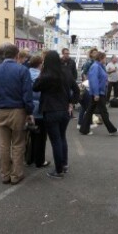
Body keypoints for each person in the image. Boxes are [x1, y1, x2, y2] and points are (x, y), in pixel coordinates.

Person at [0, 43, 34, 185]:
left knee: (3, 144)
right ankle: (16, 174)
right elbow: (27, 93)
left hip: (0, 110)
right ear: (17, 55)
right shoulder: (22, 70)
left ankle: (5, 174)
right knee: (18, 143)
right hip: (18, 110)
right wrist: (29, 111)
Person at [33, 51, 80, 179]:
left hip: (50, 110)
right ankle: (64, 164)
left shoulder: (46, 75)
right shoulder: (66, 72)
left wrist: (41, 72)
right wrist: (71, 102)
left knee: (55, 140)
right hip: (64, 110)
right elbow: (76, 90)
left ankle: (58, 170)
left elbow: (35, 87)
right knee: (62, 137)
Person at [79, 51, 117, 135]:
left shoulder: (99, 66)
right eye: (104, 58)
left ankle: (84, 129)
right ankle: (111, 129)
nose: (105, 59)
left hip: (99, 92)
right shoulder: (96, 67)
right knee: (103, 111)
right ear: (101, 58)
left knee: (91, 111)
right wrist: (96, 93)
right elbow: (94, 80)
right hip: (98, 93)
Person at [27, 55, 49, 169]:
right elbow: (40, 94)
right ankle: (39, 160)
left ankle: (30, 158)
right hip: (39, 109)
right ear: (40, 64)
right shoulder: (40, 77)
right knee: (41, 136)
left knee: (31, 135)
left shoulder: (26, 73)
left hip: (29, 108)